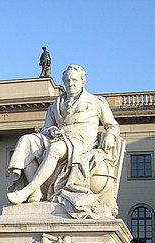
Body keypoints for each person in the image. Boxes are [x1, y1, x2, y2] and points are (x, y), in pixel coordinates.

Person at [7, 65, 120, 219]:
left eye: (74, 80)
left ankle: (26, 190)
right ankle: (36, 190)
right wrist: (50, 131)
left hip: (81, 142)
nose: (70, 83)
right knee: (27, 141)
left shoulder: (95, 101)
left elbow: (112, 125)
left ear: (82, 81)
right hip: (58, 137)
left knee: (55, 148)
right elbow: (45, 128)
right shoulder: (55, 105)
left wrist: (110, 135)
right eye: (67, 80)